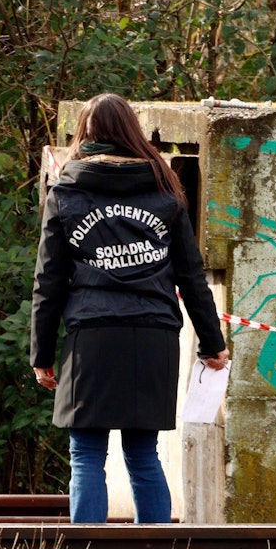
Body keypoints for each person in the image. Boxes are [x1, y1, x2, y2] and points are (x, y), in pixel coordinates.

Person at [30, 93, 230, 523]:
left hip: (91, 337)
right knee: (143, 454)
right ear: (132, 134)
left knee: (85, 455)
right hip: (153, 336)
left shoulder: (65, 192)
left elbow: (47, 283)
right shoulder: (165, 191)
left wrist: (41, 355)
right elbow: (191, 277)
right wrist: (213, 345)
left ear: (85, 133)